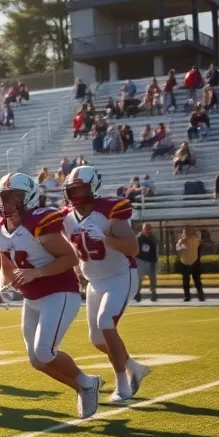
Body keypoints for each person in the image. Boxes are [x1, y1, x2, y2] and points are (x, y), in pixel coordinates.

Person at [0, 173, 101, 417]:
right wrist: (3, 286)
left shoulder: (37, 223)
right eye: (4, 197)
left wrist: (36, 272)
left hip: (59, 293)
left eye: (14, 197)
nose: (7, 203)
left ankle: (86, 382)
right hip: (32, 299)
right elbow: (7, 265)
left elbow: (70, 258)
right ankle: (85, 386)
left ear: (28, 198)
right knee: (37, 361)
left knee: (44, 352)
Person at [62, 166, 150, 403]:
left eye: (81, 188)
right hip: (94, 281)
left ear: (93, 188)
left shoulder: (110, 210)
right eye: (72, 189)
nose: (76, 194)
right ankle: (134, 366)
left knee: (105, 322)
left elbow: (133, 248)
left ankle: (123, 384)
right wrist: (76, 269)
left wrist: (106, 238)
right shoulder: (66, 217)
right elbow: (70, 248)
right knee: (97, 339)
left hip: (121, 275)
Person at [175, 226, 204, 302]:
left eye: (188, 231)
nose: (186, 233)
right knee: (185, 281)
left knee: (197, 280)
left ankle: (201, 296)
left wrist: (194, 235)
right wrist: (181, 247)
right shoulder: (181, 241)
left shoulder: (195, 239)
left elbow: (200, 241)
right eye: (185, 232)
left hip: (194, 262)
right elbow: (177, 248)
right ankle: (187, 296)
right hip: (184, 262)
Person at [134, 223, 158, 302]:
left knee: (153, 279)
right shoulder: (139, 237)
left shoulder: (152, 238)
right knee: (139, 278)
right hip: (141, 260)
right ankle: (137, 294)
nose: (148, 230)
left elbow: (155, 248)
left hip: (151, 261)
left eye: (149, 228)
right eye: (146, 228)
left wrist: (155, 260)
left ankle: (153, 293)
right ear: (143, 229)